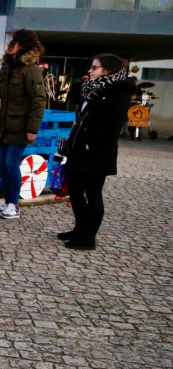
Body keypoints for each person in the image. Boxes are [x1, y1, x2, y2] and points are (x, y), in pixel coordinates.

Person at [58, 54, 134, 250]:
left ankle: (88, 237)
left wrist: (88, 140)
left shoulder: (118, 93)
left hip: (97, 152)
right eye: (91, 67)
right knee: (74, 192)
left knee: (93, 193)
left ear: (107, 71)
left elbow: (112, 126)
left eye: (94, 68)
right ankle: (79, 229)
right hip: (79, 149)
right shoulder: (92, 89)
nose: (89, 71)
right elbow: (79, 114)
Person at [0, 29, 47, 219]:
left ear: (22, 45)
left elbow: (39, 100)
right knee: (2, 164)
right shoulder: (7, 67)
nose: (9, 44)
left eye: (14, 41)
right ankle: (7, 202)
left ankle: (14, 205)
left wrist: (32, 128)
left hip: (20, 127)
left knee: (12, 164)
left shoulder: (31, 70)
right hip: (4, 125)